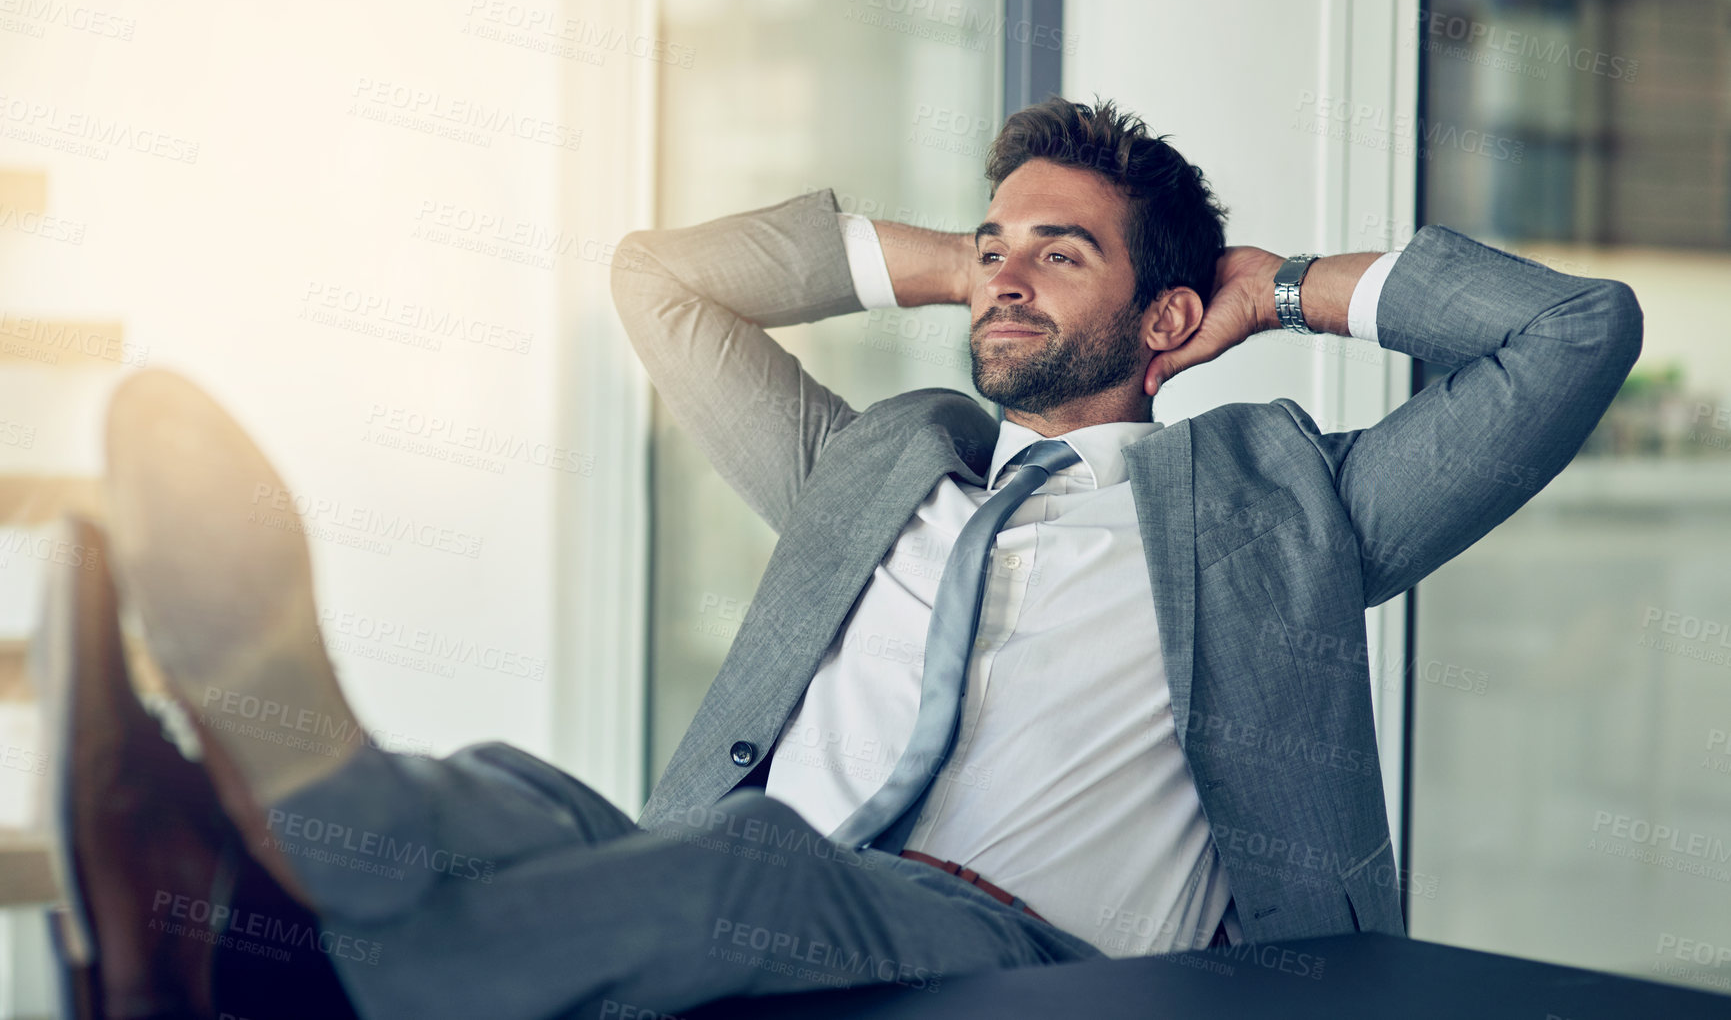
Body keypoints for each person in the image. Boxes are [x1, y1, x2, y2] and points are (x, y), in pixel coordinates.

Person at [46, 98, 1642, 1019]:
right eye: (990, 248)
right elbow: (662, 285)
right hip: (749, 908)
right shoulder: (876, 469)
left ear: (1168, 321)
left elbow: (1577, 334)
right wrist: (968, 259)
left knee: (751, 859)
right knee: (512, 794)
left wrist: (1277, 285)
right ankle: (227, 851)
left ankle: (274, 947)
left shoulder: (1285, 506)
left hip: (1034, 964)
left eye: (1056, 255)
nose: (1004, 279)